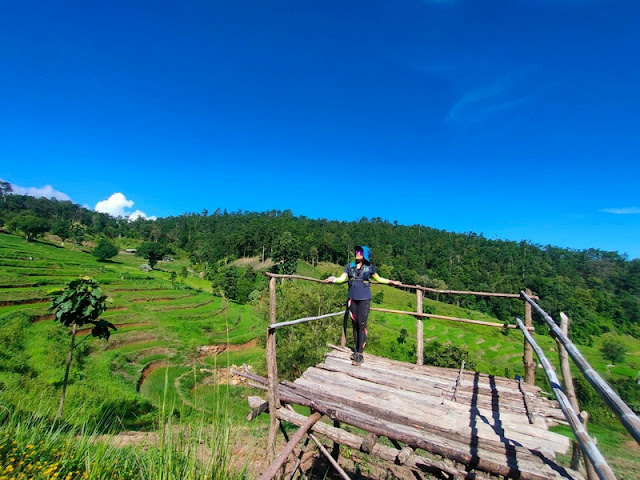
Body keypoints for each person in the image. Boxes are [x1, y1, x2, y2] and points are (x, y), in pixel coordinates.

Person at [325, 245, 400, 366]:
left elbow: (379, 278)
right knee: (354, 324)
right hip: (352, 297)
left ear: (365, 254)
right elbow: (341, 279)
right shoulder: (349, 266)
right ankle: (356, 350)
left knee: (361, 324)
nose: (357, 253)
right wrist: (332, 279)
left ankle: (360, 353)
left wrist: (392, 282)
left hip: (364, 298)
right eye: (356, 251)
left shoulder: (369, 267)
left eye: (360, 251)